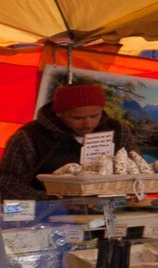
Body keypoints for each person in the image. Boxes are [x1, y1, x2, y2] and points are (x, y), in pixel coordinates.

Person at [0, 82, 128, 200]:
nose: (88, 124)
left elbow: (133, 172)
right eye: (77, 118)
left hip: (112, 210)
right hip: (47, 213)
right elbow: (7, 186)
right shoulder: (29, 137)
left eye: (95, 116)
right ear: (59, 113)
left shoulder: (119, 131)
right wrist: (54, 200)